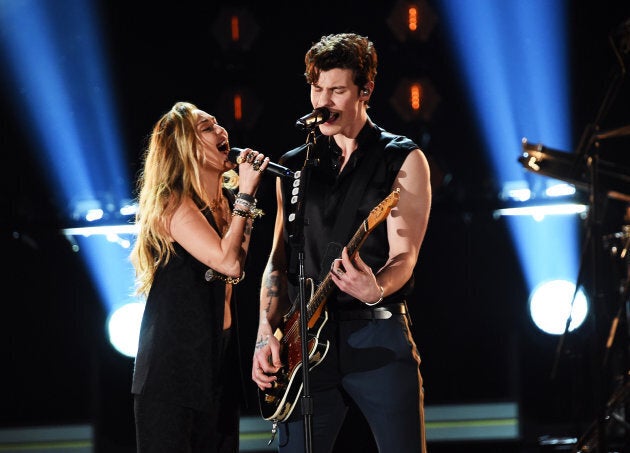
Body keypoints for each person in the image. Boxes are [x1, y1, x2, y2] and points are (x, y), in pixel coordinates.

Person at [251, 33, 432, 453]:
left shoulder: (401, 158)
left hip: (376, 334)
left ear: (364, 91)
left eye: (336, 90)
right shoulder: (294, 165)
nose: (322, 101)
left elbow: (405, 255)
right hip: (304, 341)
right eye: (317, 88)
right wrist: (265, 331)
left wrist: (377, 287)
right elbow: (278, 260)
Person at [130, 101, 269, 452]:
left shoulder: (226, 201)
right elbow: (228, 263)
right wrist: (247, 195)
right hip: (172, 371)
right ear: (185, 147)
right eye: (208, 127)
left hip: (216, 362)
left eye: (219, 123)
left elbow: (237, 263)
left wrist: (242, 203)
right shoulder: (172, 203)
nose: (222, 131)